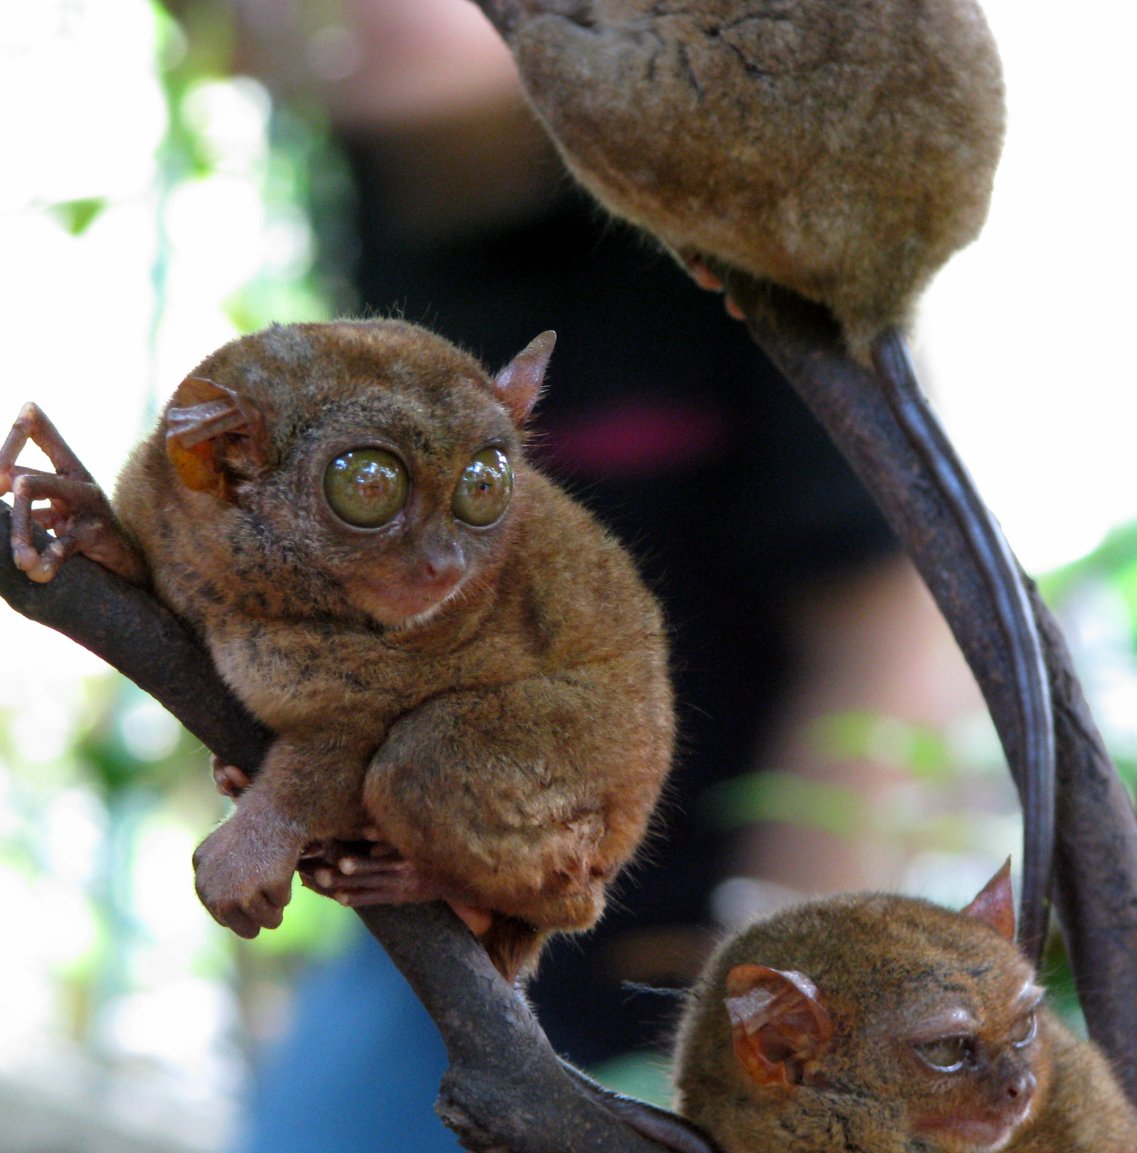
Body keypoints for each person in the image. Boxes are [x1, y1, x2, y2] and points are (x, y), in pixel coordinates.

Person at [195, 3, 979, 1148]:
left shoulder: (719, 212)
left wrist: (766, 1035)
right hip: (460, 928)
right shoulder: (381, 186)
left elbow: (890, 633)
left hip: (714, 946)